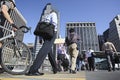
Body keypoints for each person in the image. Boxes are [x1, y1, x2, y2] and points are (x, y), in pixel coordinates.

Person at [25, 9, 58, 76]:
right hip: (51, 33)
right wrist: (54, 32)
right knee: (44, 50)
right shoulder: (54, 14)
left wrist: (40, 38)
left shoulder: (45, 17)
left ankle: (55, 68)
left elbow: (42, 28)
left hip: (45, 34)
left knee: (49, 51)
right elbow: (54, 23)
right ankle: (33, 70)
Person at [0, 0, 18, 73]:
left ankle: (1, 66)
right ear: (12, 3)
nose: (13, 8)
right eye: (14, 6)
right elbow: (4, 10)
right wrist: (12, 24)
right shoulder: (7, 2)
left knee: (0, 44)